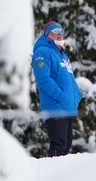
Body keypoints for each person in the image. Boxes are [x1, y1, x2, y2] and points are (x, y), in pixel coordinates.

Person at [32, 21, 82, 156]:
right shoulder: (42, 52)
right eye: (55, 32)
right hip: (55, 106)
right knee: (58, 147)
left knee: (66, 146)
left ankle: (61, 177)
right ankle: (50, 174)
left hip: (66, 107)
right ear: (48, 35)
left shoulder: (63, 55)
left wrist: (77, 95)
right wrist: (61, 96)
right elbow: (43, 80)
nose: (59, 35)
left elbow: (69, 79)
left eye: (61, 32)